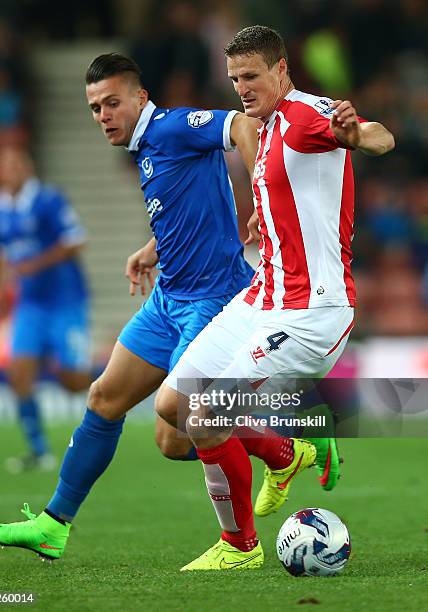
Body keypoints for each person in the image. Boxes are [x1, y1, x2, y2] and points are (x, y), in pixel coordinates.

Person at [0, 53, 334, 560]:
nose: (102, 115)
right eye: (95, 107)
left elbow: (242, 126)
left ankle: (271, 481)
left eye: (111, 103)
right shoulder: (146, 148)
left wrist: (260, 199)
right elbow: (183, 205)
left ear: (140, 98)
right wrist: (153, 247)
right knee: (103, 398)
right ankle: (54, 524)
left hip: (213, 300)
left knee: (173, 436)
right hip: (169, 298)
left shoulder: (172, 127)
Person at [152, 25, 395, 571]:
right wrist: (265, 216)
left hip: (312, 312)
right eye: (234, 78)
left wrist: (358, 136)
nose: (241, 87)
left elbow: (379, 136)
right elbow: (293, 191)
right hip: (263, 298)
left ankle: (240, 548)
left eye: (252, 76)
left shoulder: (309, 114)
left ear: (282, 70)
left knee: (208, 416)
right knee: (171, 408)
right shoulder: (263, 129)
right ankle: (289, 454)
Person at [0, 145, 91, 472]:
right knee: (18, 375)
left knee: (73, 382)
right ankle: (39, 451)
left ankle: (120, 387)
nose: (13, 170)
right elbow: (4, 253)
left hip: (65, 300)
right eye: (7, 165)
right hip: (30, 305)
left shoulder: (48, 199)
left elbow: (76, 240)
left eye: (18, 162)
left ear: (28, 166)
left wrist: (36, 263)